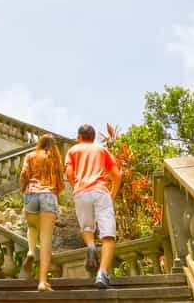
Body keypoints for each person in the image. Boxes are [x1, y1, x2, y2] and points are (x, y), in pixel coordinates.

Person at [65, 124, 121, 289]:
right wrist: (112, 195)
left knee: (87, 227)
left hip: (81, 192)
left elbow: (69, 173)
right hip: (100, 191)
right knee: (108, 235)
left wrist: (76, 184)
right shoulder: (102, 150)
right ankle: (102, 274)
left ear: (79, 137)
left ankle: (90, 245)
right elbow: (116, 176)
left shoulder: (73, 150)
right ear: (93, 137)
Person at [19, 134, 65, 292]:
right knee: (45, 239)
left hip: (31, 193)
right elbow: (60, 184)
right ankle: (42, 282)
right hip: (48, 194)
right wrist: (53, 193)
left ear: (40, 143)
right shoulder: (56, 160)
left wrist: (23, 189)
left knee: (32, 227)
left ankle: (31, 251)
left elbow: (24, 174)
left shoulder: (30, 155)